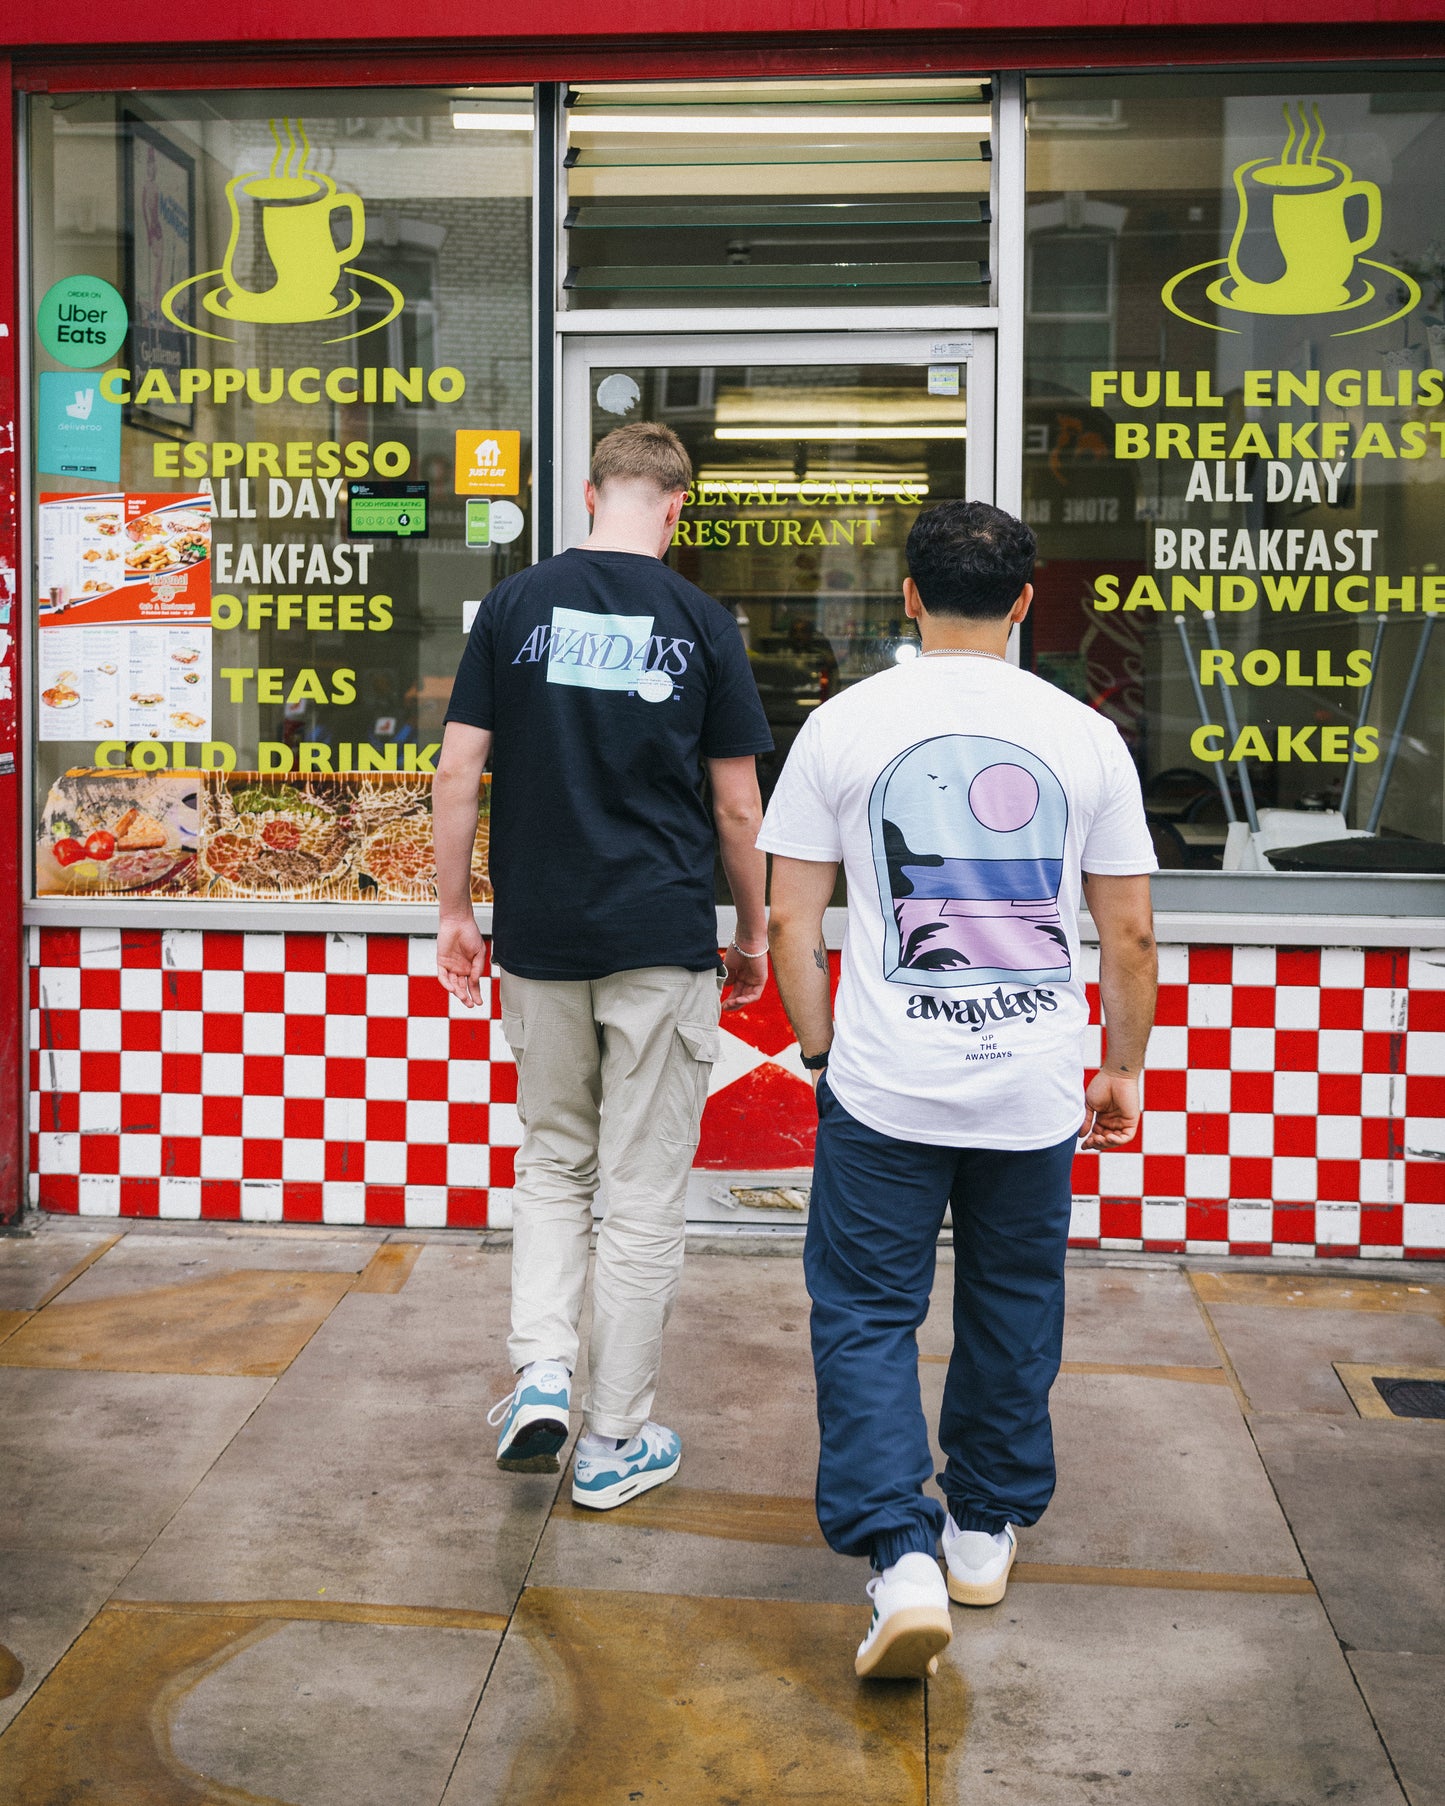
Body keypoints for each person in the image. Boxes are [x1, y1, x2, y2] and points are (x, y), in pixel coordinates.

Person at [760, 500, 1157, 1678]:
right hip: (1033, 1085)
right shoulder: (1082, 735)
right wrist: (1119, 1065)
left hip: (886, 1084)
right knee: (1011, 1298)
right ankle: (980, 1528)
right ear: (1026, 603)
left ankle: (900, 1552)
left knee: (867, 1312)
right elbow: (1126, 936)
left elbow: (792, 919)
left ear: (909, 600)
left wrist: (827, 1056)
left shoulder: (840, 725)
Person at [432, 421, 773, 1511]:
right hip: (659, 939)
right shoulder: (702, 621)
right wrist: (754, 933)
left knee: (551, 1162)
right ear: (678, 505)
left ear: (589, 494)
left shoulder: (516, 608)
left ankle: (540, 1370)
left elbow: (455, 773)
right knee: (639, 1193)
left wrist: (452, 911)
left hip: (539, 936)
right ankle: (616, 1437)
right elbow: (735, 805)